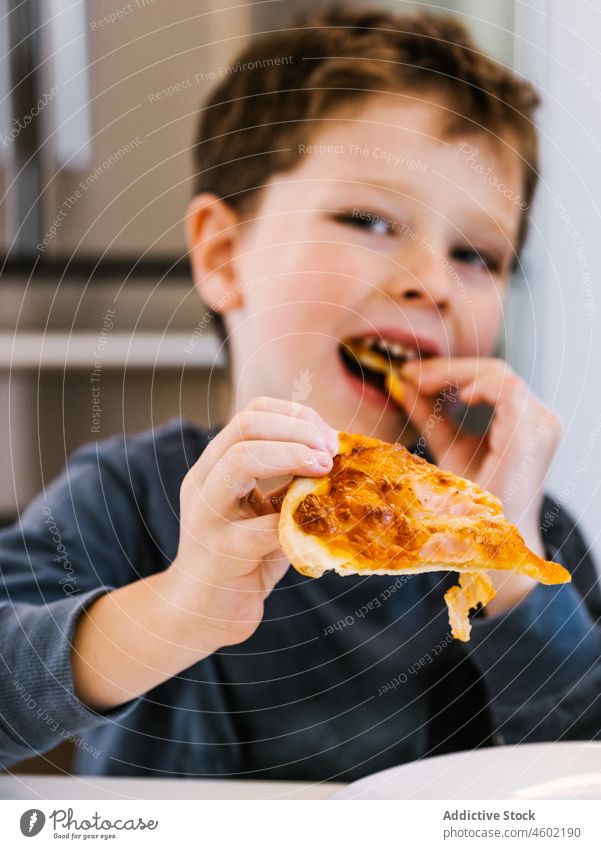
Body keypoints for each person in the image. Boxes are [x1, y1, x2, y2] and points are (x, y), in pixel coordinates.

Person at [1, 8, 600, 781]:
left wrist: (507, 562)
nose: (433, 280)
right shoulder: (126, 497)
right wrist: (175, 610)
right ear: (223, 255)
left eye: (477, 254)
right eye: (370, 219)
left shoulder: (528, 526)